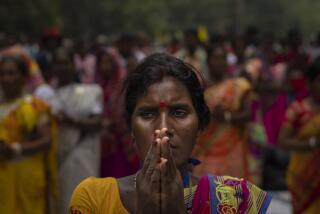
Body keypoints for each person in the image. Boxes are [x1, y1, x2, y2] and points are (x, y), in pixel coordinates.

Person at [69, 53, 271, 213]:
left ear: (200, 125)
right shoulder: (94, 200)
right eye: (148, 114)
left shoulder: (237, 200)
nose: (163, 129)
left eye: (179, 112)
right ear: (130, 128)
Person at [0, 55, 57, 213]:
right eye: (2, 73)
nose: (6, 78)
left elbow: (46, 141)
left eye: (11, 73)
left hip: (27, 179)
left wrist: (16, 149)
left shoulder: (34, 106)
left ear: (24, 77)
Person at [51, 48, 103, 214]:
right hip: (55, 157)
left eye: (65, 63)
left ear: (74, 66)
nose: (62, 67)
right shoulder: (46, 97)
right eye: (57, 64)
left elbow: (97, 121)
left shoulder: (90, 91)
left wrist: (71, 120)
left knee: (81, 199)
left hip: (81, 155)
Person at [193, 46, 253, 180]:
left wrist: (226, 117)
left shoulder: (238, 85)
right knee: (206, 194)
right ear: (208, 61)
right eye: (216, 58)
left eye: (223, 58)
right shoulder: (199, 87)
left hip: (232, 149)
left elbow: (248, 114)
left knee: (232, 193)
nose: (220, 62)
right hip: (205, 149)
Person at [278, 59, 320, 213]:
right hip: (303, 177)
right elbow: (282, 141)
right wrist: (312, 144)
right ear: (309, 83)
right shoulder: (298, 109)